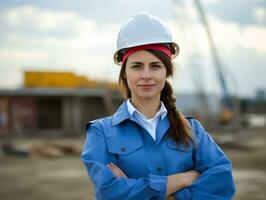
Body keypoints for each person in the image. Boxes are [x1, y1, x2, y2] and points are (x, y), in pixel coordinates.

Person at [81, 12, 235, 200]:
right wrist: (183, 179)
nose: (146, 75)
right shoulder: (100, 133)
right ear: (124, 74)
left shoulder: (192, 129)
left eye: (155, 66)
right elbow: (110, 193)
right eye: (137, 66)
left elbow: (221, 183)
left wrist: (139, 190)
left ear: (166, 72)